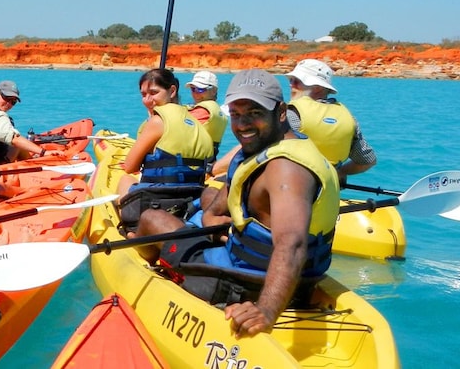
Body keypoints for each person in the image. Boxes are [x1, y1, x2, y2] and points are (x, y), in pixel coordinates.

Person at [135, 70, 340, 337]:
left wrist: (266, 311)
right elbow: (231, 191)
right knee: (207, 198)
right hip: (300, 275)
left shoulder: (286, 169)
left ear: (280, 112)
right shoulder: (285, 148)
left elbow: (292, 244)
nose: (242, 124)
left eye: (254, 113)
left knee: (151, 220)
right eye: (236, 114)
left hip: (244, 282)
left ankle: (157, 273)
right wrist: (212, 217)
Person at [116, 68, 214, 198]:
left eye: (154, 93)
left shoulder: (157, 122)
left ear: (172, 91)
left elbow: (130, 167)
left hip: (159, 197)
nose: (147, 100)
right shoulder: (195, 123)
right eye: (143, 95)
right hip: (192, 195)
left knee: (125, 179)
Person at [285, 59, 376, 184]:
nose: (291, 84)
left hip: (292, 187)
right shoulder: (348, 118)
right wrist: (340, 172)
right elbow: (368, 161)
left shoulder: (291, 113)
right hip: (328, 194)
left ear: (317, 87)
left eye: (296, 81)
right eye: (291, 80)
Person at [185, 70, 229, 158]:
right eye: (193, 89)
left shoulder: (205, 110)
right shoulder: (218, 111)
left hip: (194, 165)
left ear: (213, 90)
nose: (196, 94)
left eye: (200, 89)